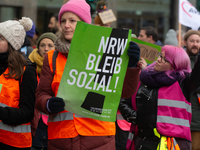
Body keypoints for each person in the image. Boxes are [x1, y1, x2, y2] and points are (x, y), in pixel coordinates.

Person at [35, 0, 141, 149]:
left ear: (85, 24)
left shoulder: (105, 52)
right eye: (63, 20)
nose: (66, 25)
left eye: (72, 20)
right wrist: (48, 103)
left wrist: (130, 66)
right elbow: (41, 94)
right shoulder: (52, 57)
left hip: (99, 139)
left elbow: (125, 92)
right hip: (61, 140)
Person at [119, 45, 200, 150]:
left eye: (164, 59)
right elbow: (124, 101)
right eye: (160, 55)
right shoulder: (144, 77)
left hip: (173, 144)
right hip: (143, 141)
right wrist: (135, 117)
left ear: (174, 66)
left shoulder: (184, 84)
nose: (158, 60)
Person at [0, 17, 37, 149]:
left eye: (1, 38)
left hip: (14, 143)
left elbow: (27, 112)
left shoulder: (26, 71)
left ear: (12, 44)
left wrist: (2, 113)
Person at [29, 32, 57, 150]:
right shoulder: (29, 65)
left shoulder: (58, 66)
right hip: (34, 122)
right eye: (42, 45)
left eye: (50, 45)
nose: (46, 49)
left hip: (52, 122)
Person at [184, 30, 200, 150]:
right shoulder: (180, 60)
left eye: (198, 41)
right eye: (192, 41)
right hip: (186, 118)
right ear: (185, 42)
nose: (195, 44)